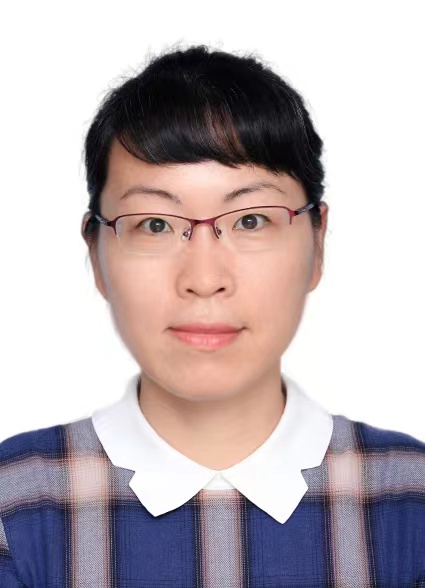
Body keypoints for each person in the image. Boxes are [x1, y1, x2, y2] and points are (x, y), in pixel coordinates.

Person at [1, 44, 424, 587]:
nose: (204, 279)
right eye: (155, 224)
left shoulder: (409, 501)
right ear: (96, 254)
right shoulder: (17, 507)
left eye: (250, 220)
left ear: (317, 244)